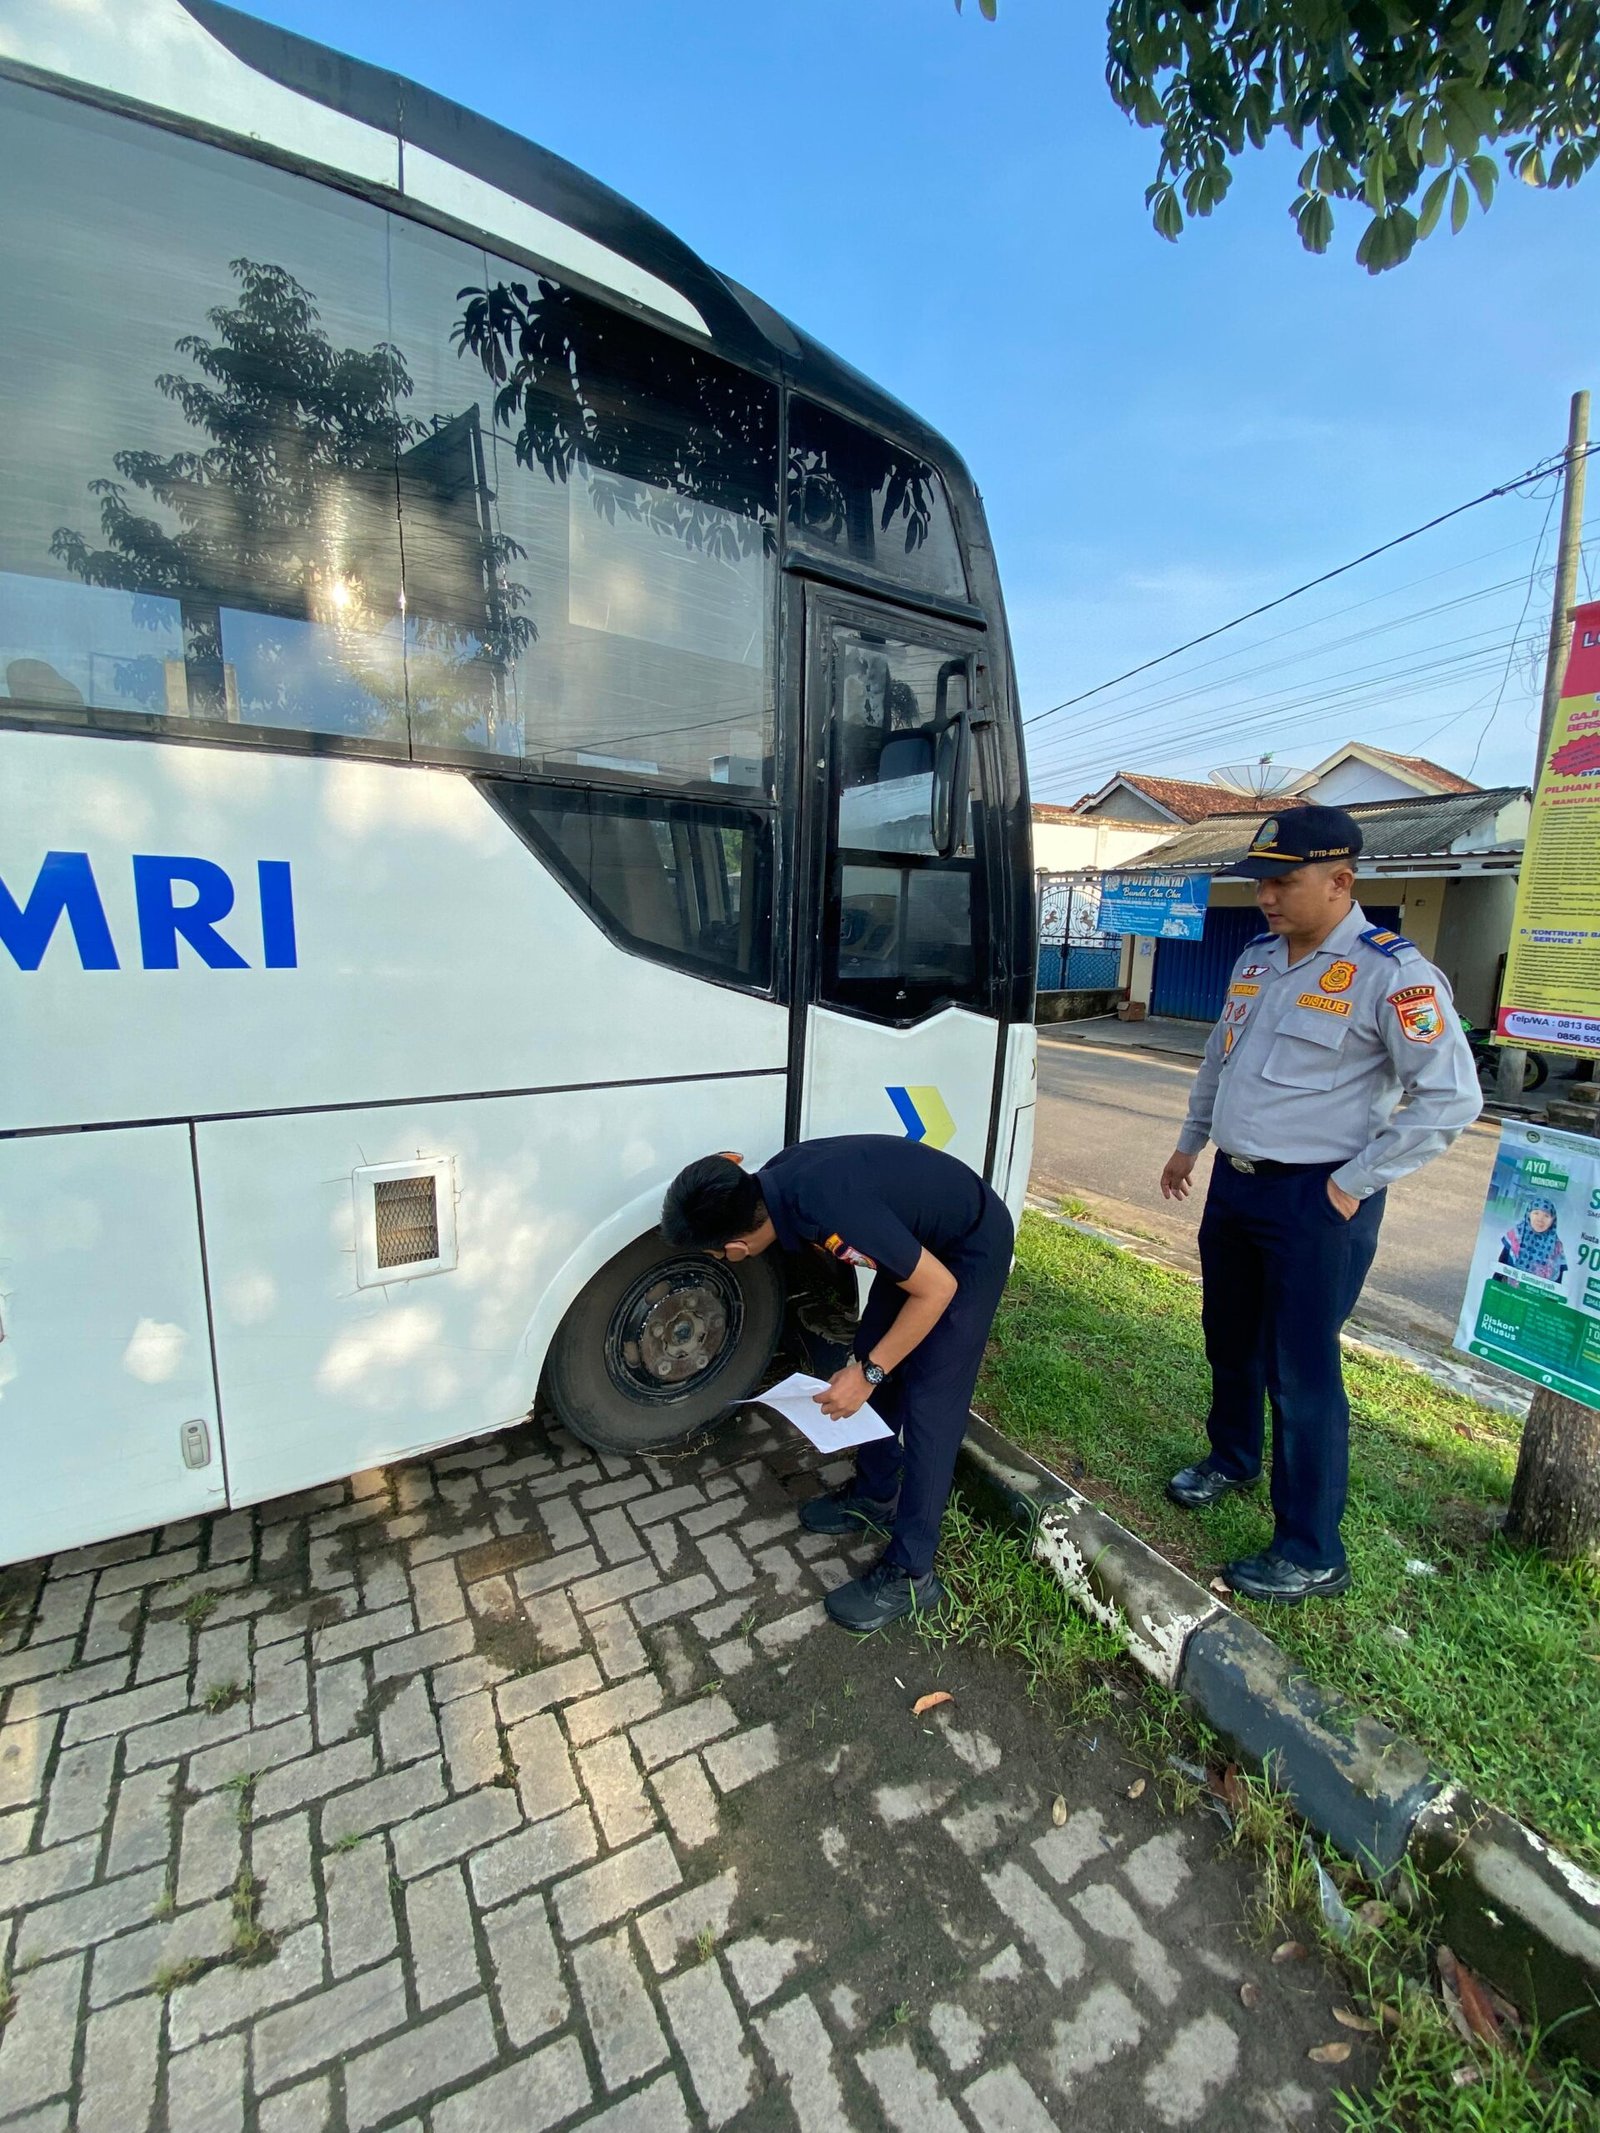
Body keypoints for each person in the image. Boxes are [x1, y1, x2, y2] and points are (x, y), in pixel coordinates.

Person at [1157, 805, 1481, 1603]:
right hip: (1235, 1187)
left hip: (1316, 1200)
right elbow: (1217, 1060)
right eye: (1261, 881)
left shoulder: (1394, 973)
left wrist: (1349, 1184)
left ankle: (1310, 1548)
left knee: (1301, 1374)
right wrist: (1191, 1140)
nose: (1266, 896)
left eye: (1283, 881)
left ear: (1341, 881)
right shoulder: (1258, 960)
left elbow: (1450, 1099)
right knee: (1229, 1340)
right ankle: (1231, 1457)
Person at [660, 1136, 1014, 1632]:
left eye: (718, 1254)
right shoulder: (777, 1185)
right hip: (917, 1241)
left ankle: (913, 1574)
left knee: (931, 1401)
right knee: (878, 1348)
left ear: (736, 1248)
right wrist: (874, 1367)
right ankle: (874, 1493)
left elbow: (938, 1289)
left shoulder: (827, 1208)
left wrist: (867, 1376)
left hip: (966, 1250)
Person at [1499, 1196, 1568, 1283]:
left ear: (1553, 1220)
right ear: (1529, 1214)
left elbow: (1557, 1281)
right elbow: (1500, 1267)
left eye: (1546, 1215)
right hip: (1509, 1290)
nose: (1540, 1219)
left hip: (1537, 1294)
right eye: (1536, 1213)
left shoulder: (1557, 1246)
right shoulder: (1515, 1235)